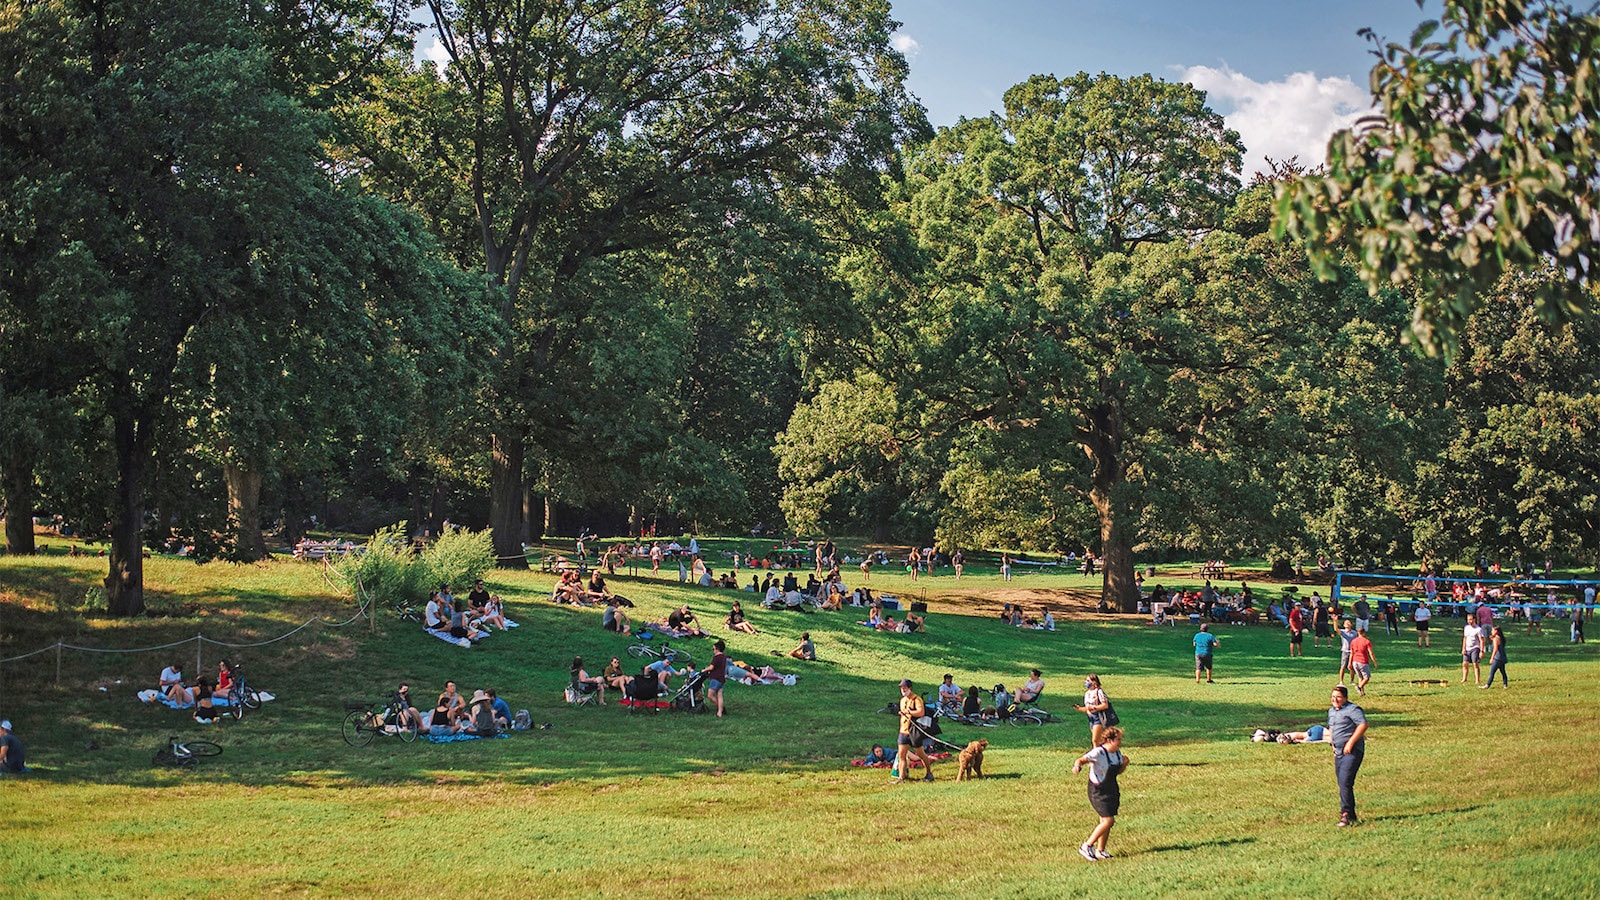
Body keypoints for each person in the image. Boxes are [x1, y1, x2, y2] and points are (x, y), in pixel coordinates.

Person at [1072, 726, 1128, 860]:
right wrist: (1077, 766)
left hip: (1111, 789)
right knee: (1109, 821)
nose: (1120, 742)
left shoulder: (1117, 754)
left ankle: (1100, 850)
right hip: (1098, 791)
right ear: (1109, 740)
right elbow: (1081, 760)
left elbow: (1117, 772)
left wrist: (1124, 764)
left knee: (1105, 821)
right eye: (1118, 739)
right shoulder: (1098, 752)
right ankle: (1086, 846)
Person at [1327, 684, 1368, 827]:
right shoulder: (1331, 711)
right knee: (1343, 783)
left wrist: (1350, 743)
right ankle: (1351, 815)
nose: (1335, 700)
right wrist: (1332, 744)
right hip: (1338, 752)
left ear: (1345, 697)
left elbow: (1362, 725)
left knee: (1345, 781)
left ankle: (1345, 814)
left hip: (1352, 751)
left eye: (1338, 697)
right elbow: (1331, 728)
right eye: (1333, 697)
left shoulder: (1353, 709)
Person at [892, 679, 933, 783]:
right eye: (901, 688)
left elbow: (921, 712)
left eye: (904, 688)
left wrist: (909, 712)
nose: (903, 690)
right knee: (901, 754)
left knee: (920, 754)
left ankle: (929, 773)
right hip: (903, 731)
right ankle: (901, 777)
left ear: (910, 688)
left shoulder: (917, 699)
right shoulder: (902, 700)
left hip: (914, 731)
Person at [1074, 674, 1112, 747]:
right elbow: (1087, 708)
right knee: (1100, 740)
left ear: (1094, 682)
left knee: (1095, 740)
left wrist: (1095, 708)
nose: (1086, 682)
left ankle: (1096, 755)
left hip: (1098, 717)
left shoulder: (1099, 692)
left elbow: (1105, 705)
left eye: (1088, 681)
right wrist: (1079, 708)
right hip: (1091, 718)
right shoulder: (1087, 693)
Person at [1349, 628, 1375, 696]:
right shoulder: (1366, 641)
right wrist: (1374, 662)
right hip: (1363, 661)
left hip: (1355, 661)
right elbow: (1371, 653)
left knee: (1360, 677)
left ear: (1358, 633)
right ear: (1364, 633)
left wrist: (1350, 662)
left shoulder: (1353, 641)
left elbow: (1351, 653)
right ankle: (1359, 687)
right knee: (1366, 677)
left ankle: (1362, 693)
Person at [706, 640, 728, 718]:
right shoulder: (724, 657)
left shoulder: (716, 657)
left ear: (717, 649)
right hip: (721, 678)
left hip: (715, 678)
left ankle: (720, 708)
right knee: (719, 695)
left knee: (710, 695)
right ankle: (720, 711)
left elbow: (711, 667)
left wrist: (704, 670)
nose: (713, 651)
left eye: (714, 649)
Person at [1461, 618, 1484, 685]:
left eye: (1471, 619)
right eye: (1468, 620)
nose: (1469, 621)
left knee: (1475, 664)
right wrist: (1463, 648)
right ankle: (1464, 678)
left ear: (1474, 620)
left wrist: (1481, 651)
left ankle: (1477, 680)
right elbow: (1465, 638)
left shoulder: (1478, 629)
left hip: (1475, 648)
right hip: (1467, 648)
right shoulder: (1466, 628)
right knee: (1465, 664)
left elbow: (1482, 640)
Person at [1336, 619, 1358, 684]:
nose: (1347, 624)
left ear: (1351, 624)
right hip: (1345, 651)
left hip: (1352, 651)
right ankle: (1341, 681)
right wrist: (1335, 621)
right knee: (1343, 666)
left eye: (1349, 622)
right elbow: (1336, 629)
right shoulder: (1343, 632)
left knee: (1352, 667)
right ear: (1344, 625)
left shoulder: (1354, 633)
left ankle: (1352, 680)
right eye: (1346, 623)